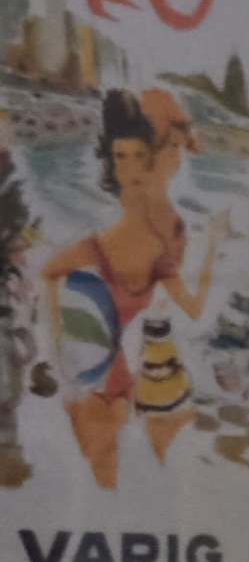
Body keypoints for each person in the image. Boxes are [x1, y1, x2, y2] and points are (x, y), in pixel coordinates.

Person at [41, 88, 225, 487]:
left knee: (109, 481)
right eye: (121, 158)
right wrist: (62, 346)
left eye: (140, 157)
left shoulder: (151, 247)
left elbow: (193, 308)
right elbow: (49, 275)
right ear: (111, 165)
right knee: (102, 480)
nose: (130, 169)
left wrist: (212, 246)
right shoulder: (95, 247)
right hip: (92, 375)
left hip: (114, 378)